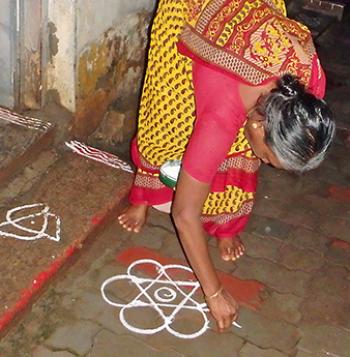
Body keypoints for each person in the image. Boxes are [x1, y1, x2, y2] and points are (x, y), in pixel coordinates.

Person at [118, 0, 335, 332]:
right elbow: (183, 213)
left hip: (251, 19)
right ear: (260, 125)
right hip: (189, 15)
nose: (267, 165)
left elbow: (262, 137)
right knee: (167, 119)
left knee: (236, 150)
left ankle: (224, 221)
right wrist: (214, 291)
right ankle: (144, 194)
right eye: (269, 159)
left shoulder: (310, 86)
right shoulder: (223, 111)